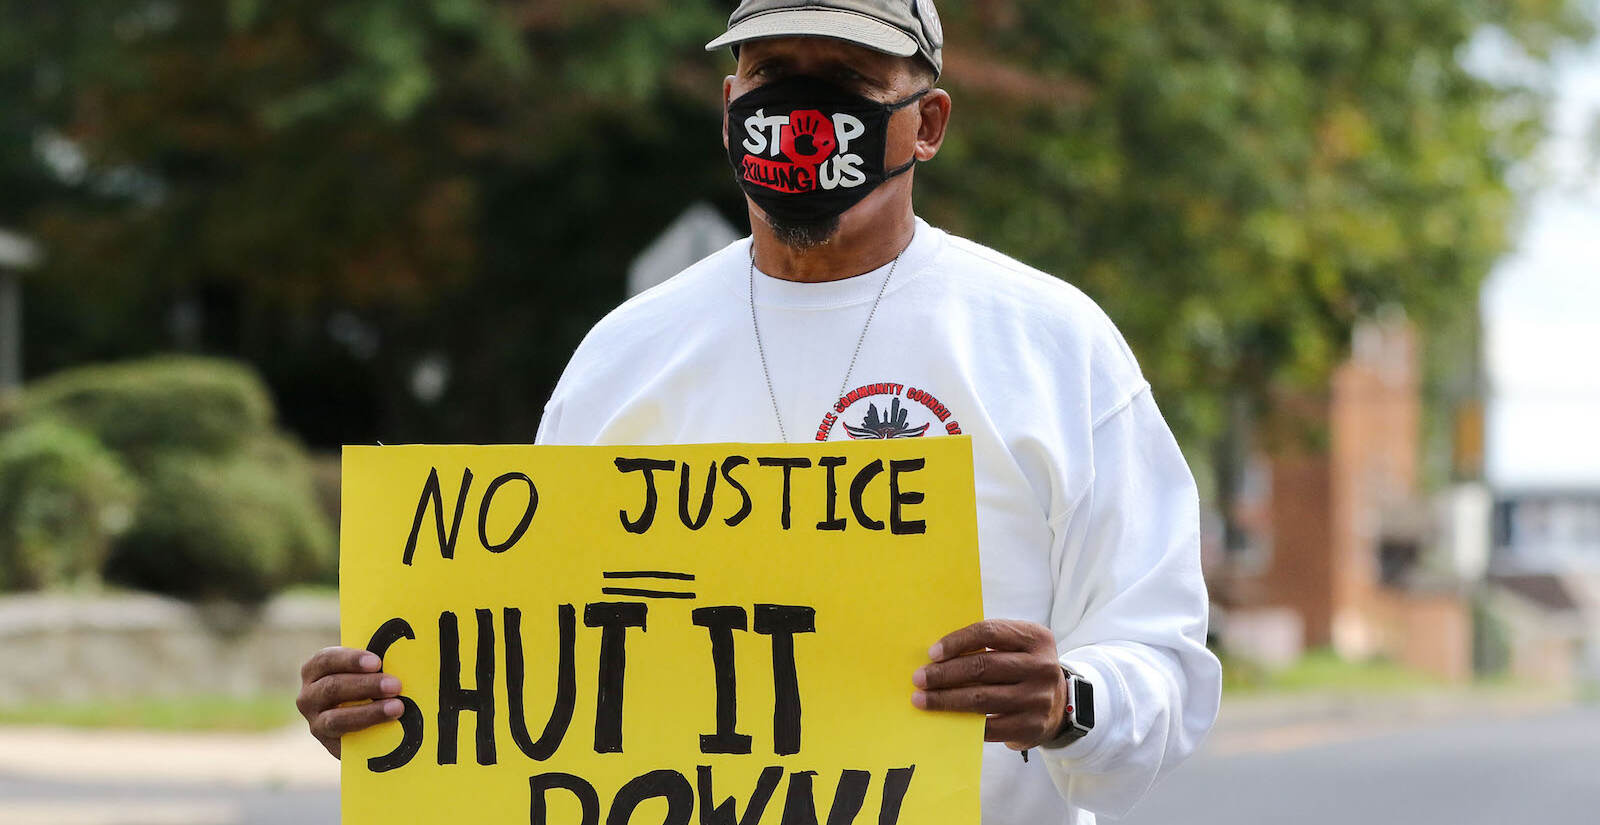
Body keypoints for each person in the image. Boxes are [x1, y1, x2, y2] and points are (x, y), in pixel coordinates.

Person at [297, 1, 1221, 822]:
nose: (803, 110)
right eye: (775, 75)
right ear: (730, 104)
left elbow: (1165, 662)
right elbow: (536, 669)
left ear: (927, 122)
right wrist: (406, 711)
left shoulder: (1048, 343)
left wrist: (1068, 701)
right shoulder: (624, 358)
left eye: (849, 79)